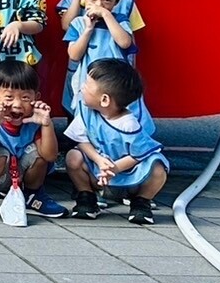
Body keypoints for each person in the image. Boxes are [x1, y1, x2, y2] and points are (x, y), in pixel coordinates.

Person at [66, 59, 170, 225]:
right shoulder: (86, 112)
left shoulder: (129, 123)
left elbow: (139, 154)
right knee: (73, 157)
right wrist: (98, 160)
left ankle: (141, 202)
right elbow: (80, 140)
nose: (82, 87)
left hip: (129, 175)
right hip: (99, 173)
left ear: (105, 100)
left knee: (158, 168)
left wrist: (115, 168)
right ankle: (87, 197)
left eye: (87, 84)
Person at [0, 59, 65, 220]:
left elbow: (50, 156)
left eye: (25, 98)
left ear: (36, 97)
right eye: (9, 97)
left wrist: (46, 124)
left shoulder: (33, 118)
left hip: (17, 172)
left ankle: (33, 194)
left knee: (39, 153)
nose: (17, 104)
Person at [56, 0, 144, 113]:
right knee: (79, 103)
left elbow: (129, 40)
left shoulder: (126, 1)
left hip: (115, 70)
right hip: (83, 68)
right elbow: (66, 25)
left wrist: (106, 14)